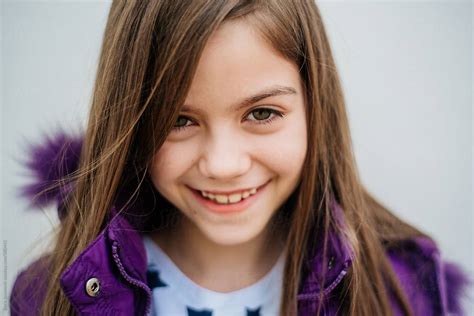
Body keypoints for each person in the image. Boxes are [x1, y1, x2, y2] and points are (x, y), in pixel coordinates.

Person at [9, 1, 469, 315]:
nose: (223, 164)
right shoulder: (52, 296)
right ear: (131, 121)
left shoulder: (403, 289)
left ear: (315, 108)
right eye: (177, 120)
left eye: (262, 113)